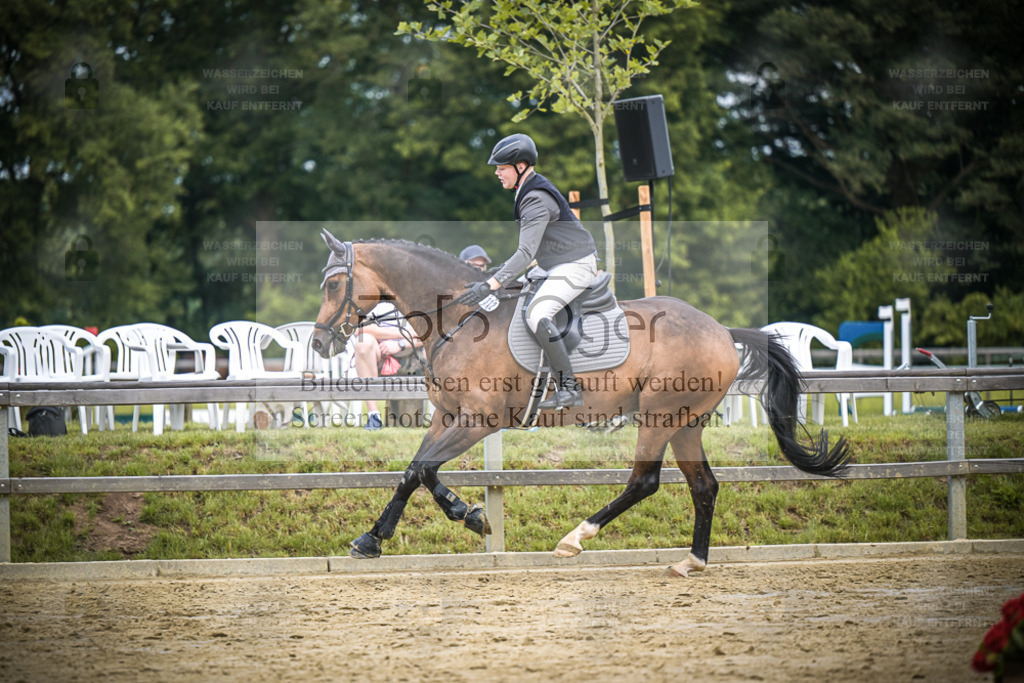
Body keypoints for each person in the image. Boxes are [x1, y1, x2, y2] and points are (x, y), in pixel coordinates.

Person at [458, 133, 598, 410]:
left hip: (576, 264)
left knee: (537, 314)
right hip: (555, 263)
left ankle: (569, 388)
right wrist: (498, 276)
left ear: (521, 166)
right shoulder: (529, 191)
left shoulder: (534, 198)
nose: (497, 173)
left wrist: (490, 285)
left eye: (501, 167)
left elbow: (525, 254)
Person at [351, 302, 422, 430]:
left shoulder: (419, 295)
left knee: (408, 423)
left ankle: (444, 414)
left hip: (413, 361)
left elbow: (429, 333)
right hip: (380, 356)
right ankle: (374, 416)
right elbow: (360, 328)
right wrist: (402, 334)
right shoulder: (377, 299)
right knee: (363, 341)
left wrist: (400, 344)